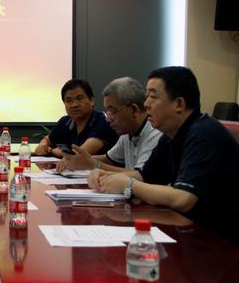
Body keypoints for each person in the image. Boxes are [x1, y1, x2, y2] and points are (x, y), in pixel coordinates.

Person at [89, 66, 239, 242]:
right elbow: (144, 176)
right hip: (189, 232)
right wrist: (105, 176)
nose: (146, 104)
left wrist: (129, 185)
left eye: (153, 96)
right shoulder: (170, 136)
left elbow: (183, 199)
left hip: (221, 241)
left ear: (179, 104)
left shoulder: (204, 134)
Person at [57, 77, 161, 172]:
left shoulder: (155, 134)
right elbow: (108, 159)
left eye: (112, 111)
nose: (108, 119)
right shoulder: (127, 133)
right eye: (107, 112)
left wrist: (93, 165)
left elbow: (140, 176)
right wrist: (79, 160)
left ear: (134, 110)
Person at [34, 79, 117, 158]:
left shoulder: (103, 121)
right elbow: (48, 140)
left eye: (79, 98)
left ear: (91, 100)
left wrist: (53, 151)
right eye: (69, 100)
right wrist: (43, 145)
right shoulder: (65, 121)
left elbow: (79, 155)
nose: (74, 105)